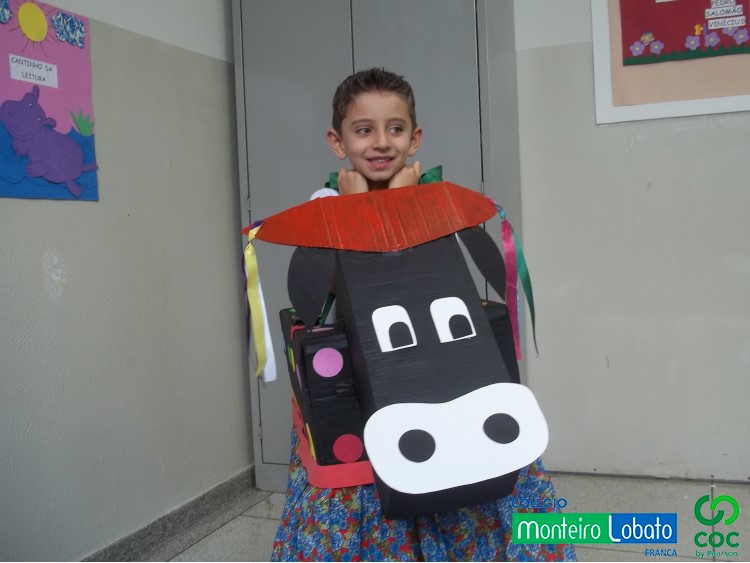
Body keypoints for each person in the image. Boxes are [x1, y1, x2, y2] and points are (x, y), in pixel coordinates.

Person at [271, 68, 576, 562]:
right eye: (363, 130)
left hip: (443, 373)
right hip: (359, 380)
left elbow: (435, 276)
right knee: (370, 474)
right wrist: (358, 208)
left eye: (395, 129)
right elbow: (333, 290)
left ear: (415, 139)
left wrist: (407, 202)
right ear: (337, 142)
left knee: (467, 463)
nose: (380, 142)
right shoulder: (325, 205)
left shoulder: (435, 197)